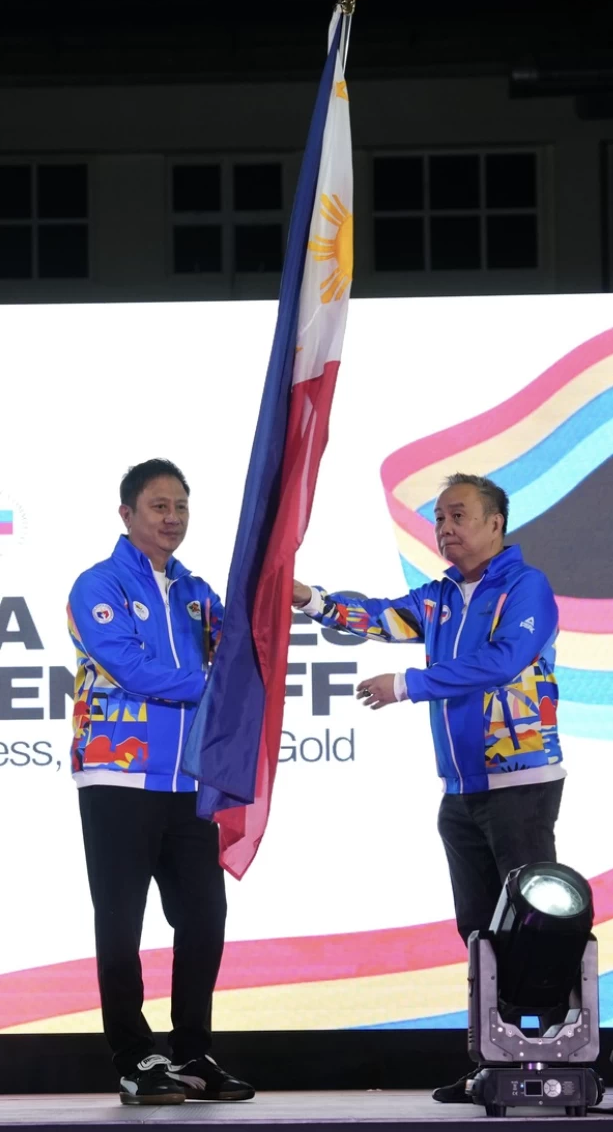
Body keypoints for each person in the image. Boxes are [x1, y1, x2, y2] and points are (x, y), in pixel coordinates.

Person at [293, 473, 565, 1104]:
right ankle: (493, 1062)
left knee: (537, 927)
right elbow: (378, 617)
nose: (445, 528)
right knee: (478, 931)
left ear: (496, 523)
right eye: (439, 518)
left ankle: (556, 1054)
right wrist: (307, 598)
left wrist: (408, 685)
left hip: (519, 781)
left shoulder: (525, 587)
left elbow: (501, 661)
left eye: (458, 515)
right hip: (461, 789)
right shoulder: (441, 596)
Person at [67, 458, 254, 1107]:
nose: (172, 518)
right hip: (117, 777)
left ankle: (193, 1050)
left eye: (180, 507)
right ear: (127, 514)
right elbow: (132, 669)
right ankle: (135, 1054)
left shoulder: (197, 592)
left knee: (203, 916)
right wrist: (220, 687)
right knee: (120, 922)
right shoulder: (99, 585)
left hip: (188, 781)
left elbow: (243, 644)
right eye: (158, 506)